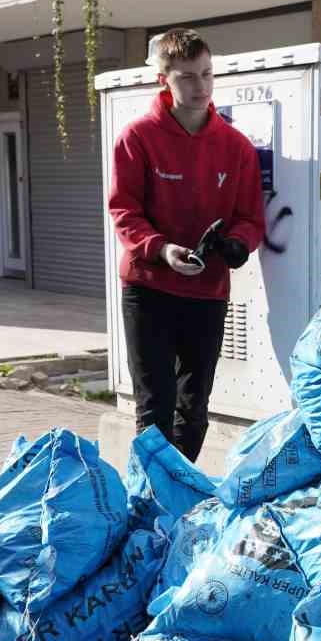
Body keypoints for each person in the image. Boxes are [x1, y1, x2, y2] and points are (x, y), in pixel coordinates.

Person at [108, 27, 268, 463]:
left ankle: (176, 498)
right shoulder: (137, 137)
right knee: (154, 410)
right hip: (148, 290)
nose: (201, 87)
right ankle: (148, 498)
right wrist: (162, 250)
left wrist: (238, 244)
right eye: (188, 77)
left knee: (194, 410)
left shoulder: (236, 147)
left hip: (207, 293)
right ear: (164, 79)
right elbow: (124, 211)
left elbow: (251, 218)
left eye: (207, 74)